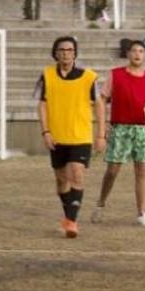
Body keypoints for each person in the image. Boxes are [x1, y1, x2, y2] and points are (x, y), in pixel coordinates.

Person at [37, 36, 106, 238]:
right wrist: (45, 131)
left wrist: (101, 134)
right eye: (62, 50)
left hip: (81, 136)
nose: (66, 53)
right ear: (55, 53)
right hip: (57, 137)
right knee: (61, 181)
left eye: (69, 50)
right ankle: (68, 216)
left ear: (75, 53)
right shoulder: (47, 75)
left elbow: (100, 105)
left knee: (76, 172)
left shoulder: (89, 77)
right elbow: (42, 104)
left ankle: (72, 221)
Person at [93, 40, 145, 226]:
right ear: (128, 54)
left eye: (141, 51)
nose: (137, 54)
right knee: (113, 170)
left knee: (141, 170)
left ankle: (141, 212)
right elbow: (103, 99)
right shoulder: (116, 75)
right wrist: (103, 127)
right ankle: (101, 203)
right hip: (120, 128)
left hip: (141, 129)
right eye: (134, 51)